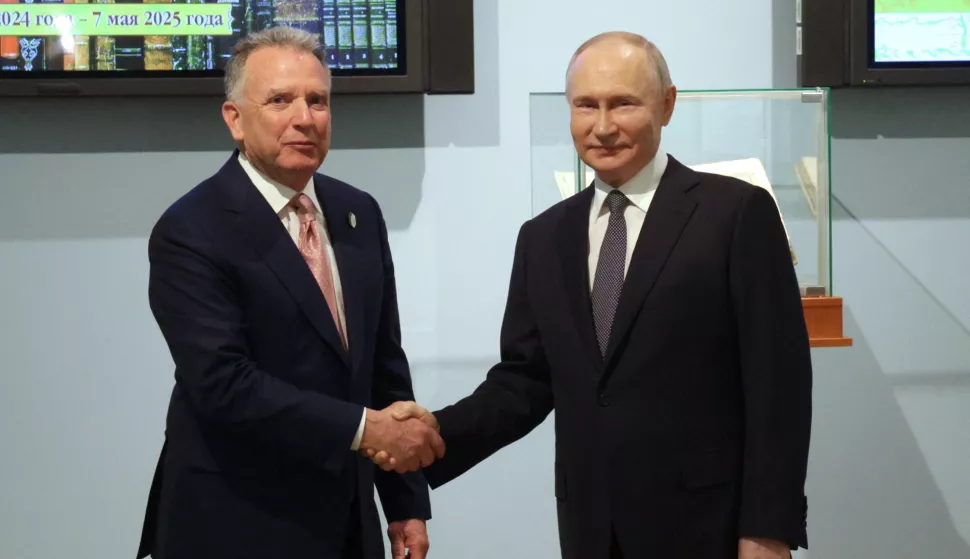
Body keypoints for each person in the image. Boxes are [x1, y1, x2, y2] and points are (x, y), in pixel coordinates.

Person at [370, 31, 813, 559]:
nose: (602, 126)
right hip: (591, 532)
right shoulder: (543, 236)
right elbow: (526, 381)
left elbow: (778, 389)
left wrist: (768, 530)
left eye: (623, 103)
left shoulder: (737, 214)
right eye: (586, 106)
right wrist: (438, 434)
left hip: (709, 531)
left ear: (667, 104)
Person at [135, 27, 444, 559]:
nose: (305, 117)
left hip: (346, 522)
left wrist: (404, 503)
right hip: (234, 522)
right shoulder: (191, 228)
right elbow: (223, 384)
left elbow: (383, 367)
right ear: (234, 118)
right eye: (280, 100)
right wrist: (365, 428)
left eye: (318, 100)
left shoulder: (358, 213)